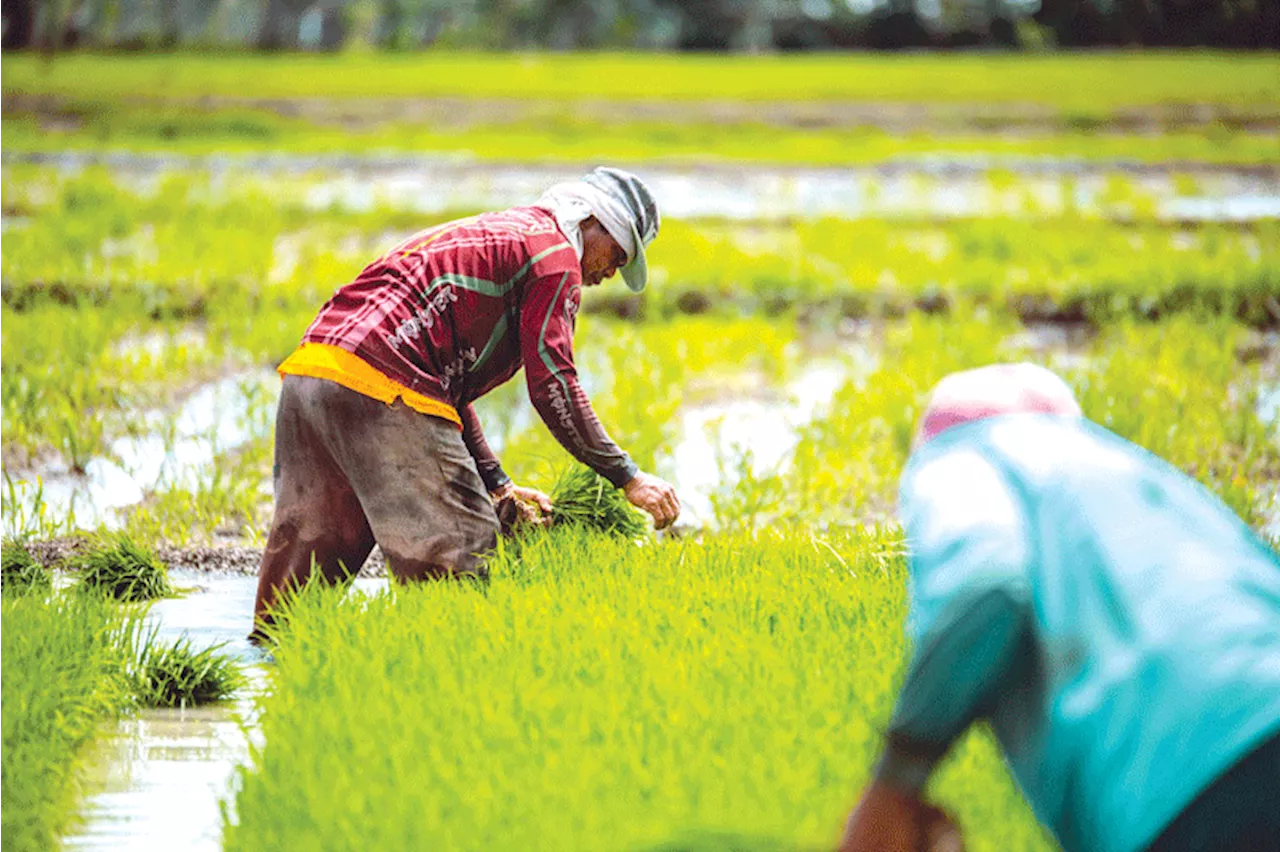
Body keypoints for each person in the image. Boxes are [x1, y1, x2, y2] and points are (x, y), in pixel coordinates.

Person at [839, 363, 1280, 852]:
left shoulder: (964, 458)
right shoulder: (1142, 479)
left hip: (1194, 776)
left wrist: (893, 785)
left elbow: (987, 585)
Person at [251, 167, 680, 641]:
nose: (609, 273)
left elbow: (444, 386)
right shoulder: (556, 258)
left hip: (315, 374)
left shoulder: (506, 232)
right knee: (462, 548)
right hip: (384, 382)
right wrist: (628, 476)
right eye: (617, 255)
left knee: (307, 567)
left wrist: (498, 484)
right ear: (592, 223)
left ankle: (268, 667)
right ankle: (446, 668)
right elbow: (553, 383)